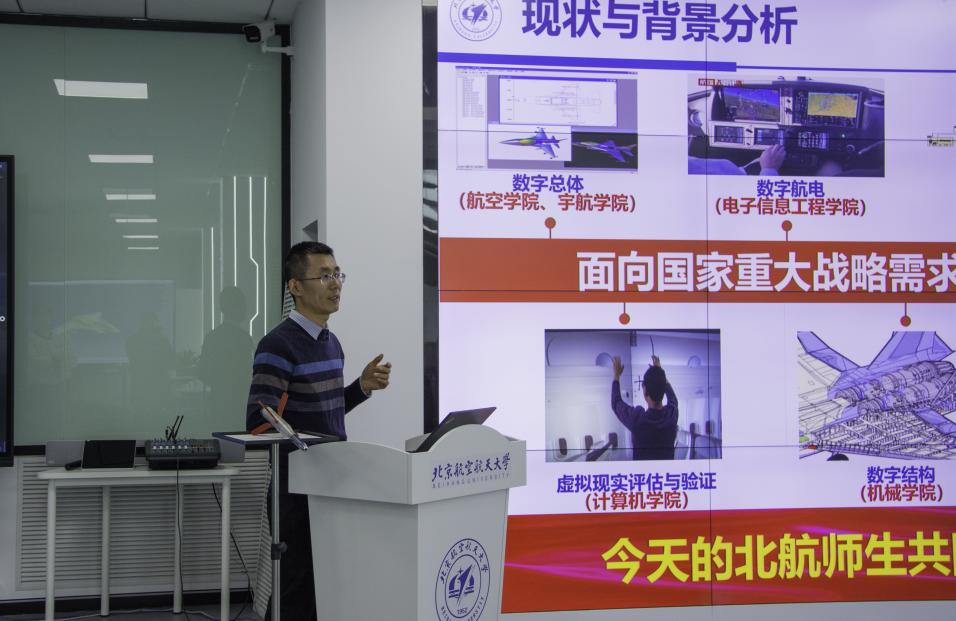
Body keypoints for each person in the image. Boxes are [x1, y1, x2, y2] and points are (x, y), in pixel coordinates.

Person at [246, 241, 391, 620]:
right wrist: (301, 439)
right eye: (323, 276)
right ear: (295, 287)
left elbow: (327, 412)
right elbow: (259, 420)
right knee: (295, 585)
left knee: (324, 582)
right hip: (296, 485)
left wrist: (361, 387)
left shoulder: (331, 343)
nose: (335, 283)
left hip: (333, 479)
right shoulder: (278, 344)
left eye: (337, 274)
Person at [610, 355, 679, 460]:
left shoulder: (637, 418)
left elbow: (616, 402)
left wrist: (616, 375)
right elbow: (673, 397)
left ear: (645, 391)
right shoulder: (672, 415)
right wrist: (659, 373)